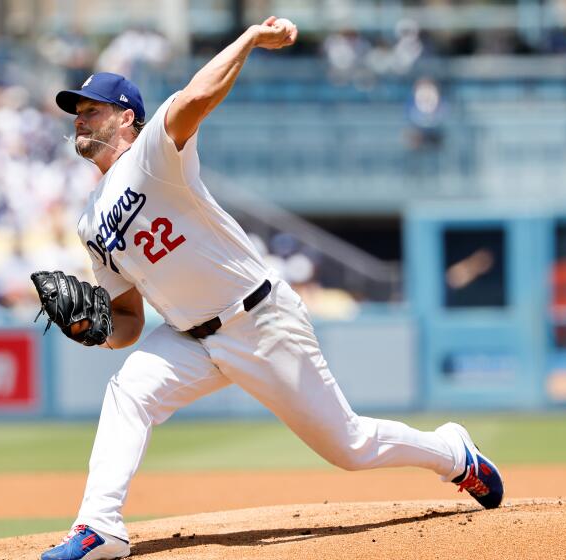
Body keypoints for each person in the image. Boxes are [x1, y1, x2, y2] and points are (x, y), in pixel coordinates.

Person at [40, 16, 503, 560]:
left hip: (257, 318)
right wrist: (93, 331)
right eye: (76, 112)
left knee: (348, 447)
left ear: (127, 118)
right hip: (189, 338)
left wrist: (250, 39)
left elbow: (196, 96)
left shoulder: (154, 155)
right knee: (128, 393)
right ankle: (100, 526)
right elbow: (128, 321)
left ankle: (453, 453)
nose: (79, 119)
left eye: (91, 109)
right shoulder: (89, 221)